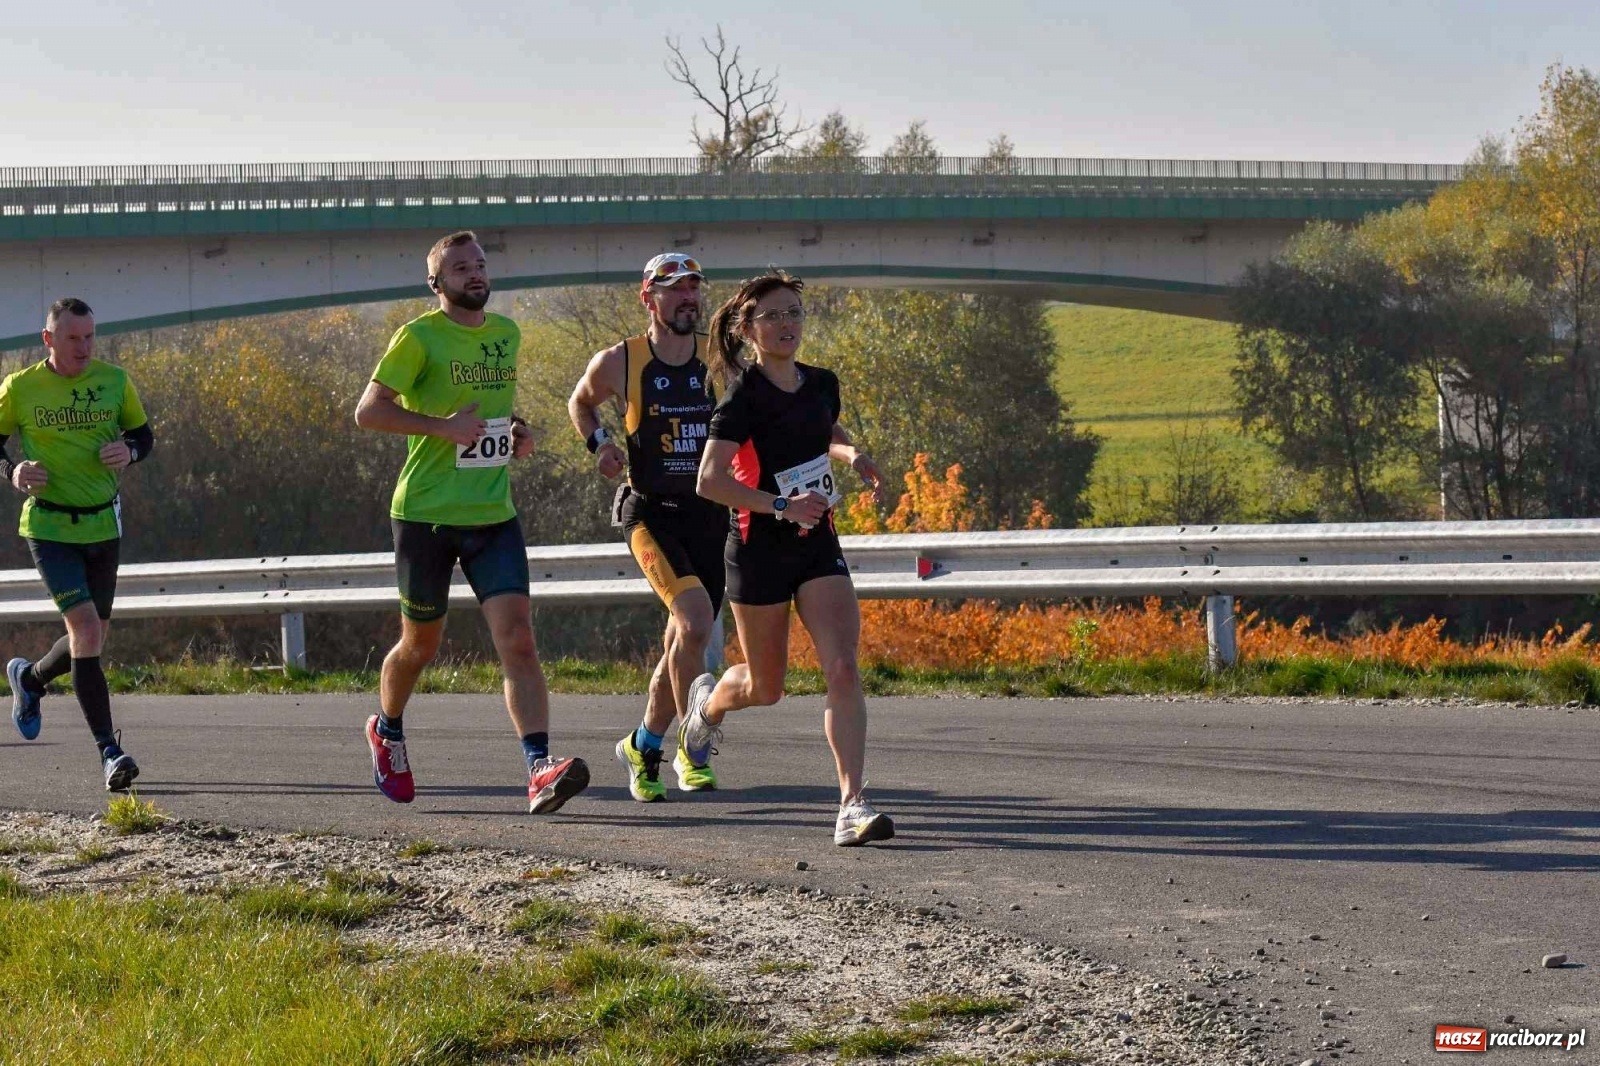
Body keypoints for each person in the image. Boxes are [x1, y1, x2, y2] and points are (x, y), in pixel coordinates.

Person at [354, 230, 588, 813]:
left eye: (480, 264)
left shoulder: (506, 334)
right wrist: (443, 427)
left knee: (520, 642)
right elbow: (369, 411)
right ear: (437, 283)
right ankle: (387, 729)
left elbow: (493, 410)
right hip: (426, 515)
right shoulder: (417, 337)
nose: (475, 273)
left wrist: (518, 431)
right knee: (420, 645)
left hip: (493, 514)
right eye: (460, 267)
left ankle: (539, 767)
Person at [686, 269, 896, 846]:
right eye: (772, 316)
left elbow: (821, 425)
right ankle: (706, 706)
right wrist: (781, 504)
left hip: (817, 542)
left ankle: (852, 803)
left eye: (794, 314)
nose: (786, 325)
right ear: (749, 329)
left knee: (843, 667)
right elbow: (709, 482)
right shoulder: (741, 398)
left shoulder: (822, 381)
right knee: (767, 686)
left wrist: (854, 456)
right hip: (758, 550)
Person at [567, 253, 727, 801]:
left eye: (694, 288)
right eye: (675, 289)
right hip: (650, 514)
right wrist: (601, 443)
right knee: (696, 620)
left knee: (682, 643)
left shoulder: (720, 358)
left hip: (711, 515)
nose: (689, 298)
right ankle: (693, 746)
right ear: (648, 298)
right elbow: (580, 403)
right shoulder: (622, 360)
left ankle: (642, 743)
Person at [0, 297, 154, 791]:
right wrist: (13, 470)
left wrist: (128, 451)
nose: (84, 347)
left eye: (90, 337)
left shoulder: (114, 380)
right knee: (86, 630)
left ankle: (30, 679)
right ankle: (110, 751)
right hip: (48, 528)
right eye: (72, 338)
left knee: (91, 637)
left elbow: (144, 435)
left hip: (103, 528)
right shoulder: (20, 389)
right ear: (48, 339)